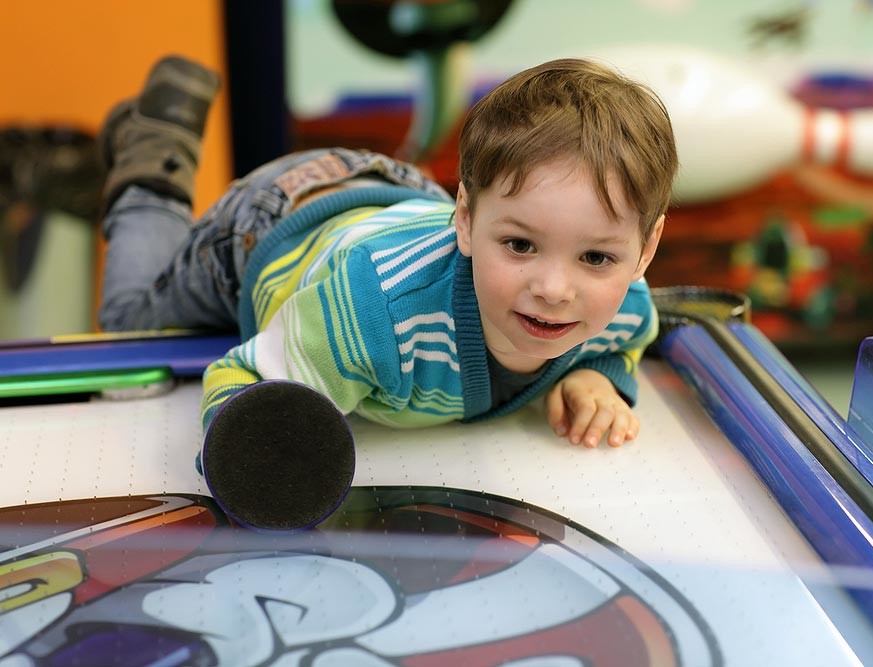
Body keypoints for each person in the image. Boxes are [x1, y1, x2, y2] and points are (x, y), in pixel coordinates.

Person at [98, 55, 678, 531]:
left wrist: (594, 375)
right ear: (469, 222)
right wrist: (257, 462)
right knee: (128, 332)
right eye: (521, 246)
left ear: (644, 251)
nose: (554, 290)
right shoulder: (376, 314)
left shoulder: (624, 304)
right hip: (272, 225)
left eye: (596, 257)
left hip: (400, 195)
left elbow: (622, 342)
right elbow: (242, 380)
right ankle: (155, 165)